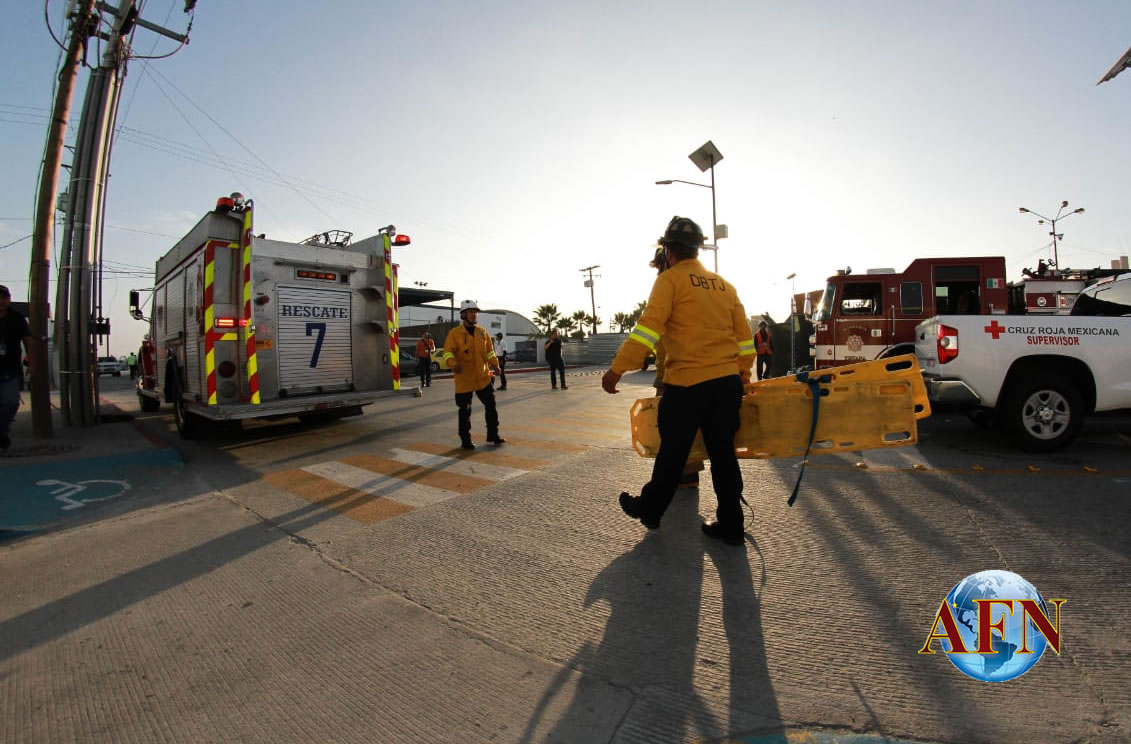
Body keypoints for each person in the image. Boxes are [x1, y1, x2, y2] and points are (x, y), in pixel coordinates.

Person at [602, 217, 755, 546]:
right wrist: (741, 374)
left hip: (687, 385)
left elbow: (647, 329)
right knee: (723, 456)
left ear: (668, 250)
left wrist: (617, 370)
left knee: (672, 453)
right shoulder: (725, 286)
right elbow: (745, 341)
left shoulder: (670, 281)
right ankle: (731, 525)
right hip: (726, 385)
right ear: (697, 248)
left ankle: (650, 510)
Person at [649, 243, 705, 490]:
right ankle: (688, 475)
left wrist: (618, 369)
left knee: (671, 430)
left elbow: (652, 331)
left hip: (674, 373)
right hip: (690, 370)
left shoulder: (668, 285)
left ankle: (671, 482)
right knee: (688, 428)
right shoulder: (695, 285)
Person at [442, 300, 504, 450]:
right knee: (465, 410)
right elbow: (447, 353)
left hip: (483, 377)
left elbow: (490, 351)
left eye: (475, 312)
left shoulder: (482, 332)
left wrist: (495, 365)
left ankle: (493, 435)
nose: (474, 314)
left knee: (491, 405)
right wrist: (453, 364)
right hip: (464, 379)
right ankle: (465, 440)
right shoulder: (454, 334)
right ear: (463, 314)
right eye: (471, 312)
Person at [0, 285, 35, 451]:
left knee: (11, 402)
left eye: (4, 297)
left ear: (9, 299)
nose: (1, 301)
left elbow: (27, 339)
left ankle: (2, 430)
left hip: (10, 368)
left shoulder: (17, 317)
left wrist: (32, 361)